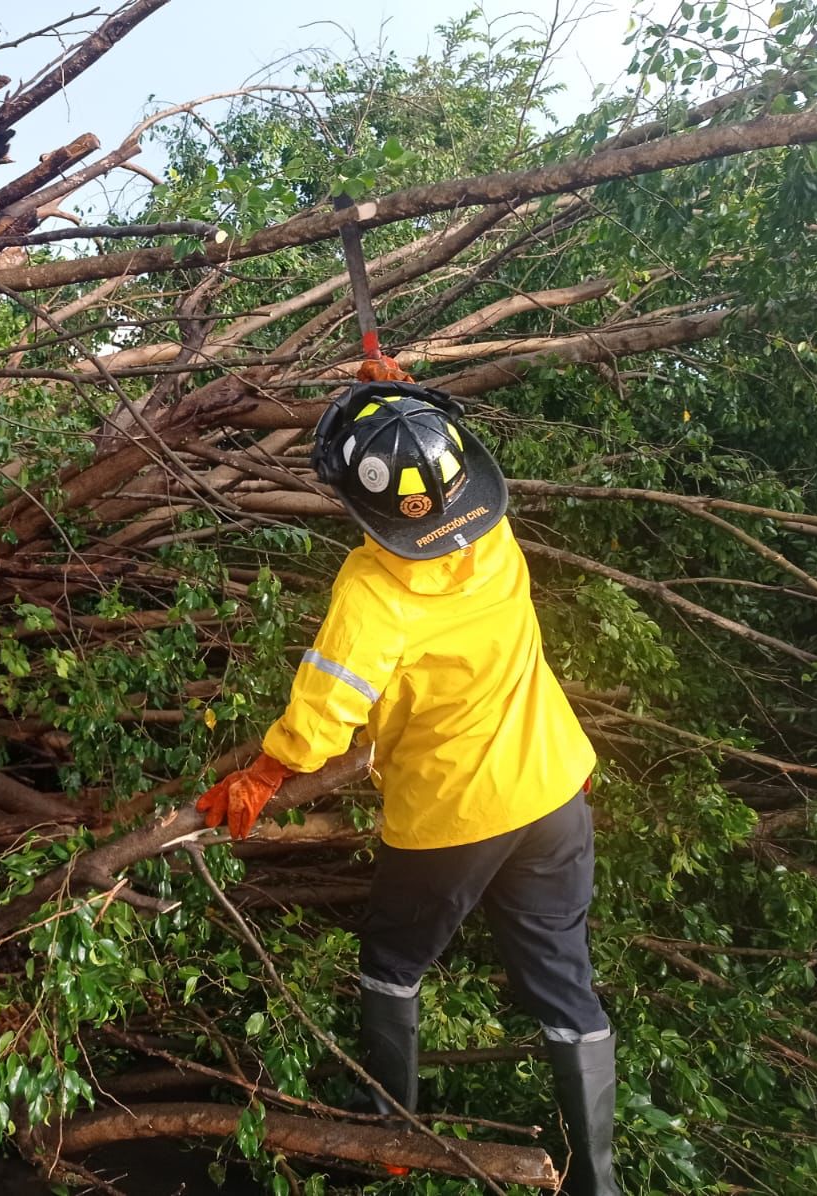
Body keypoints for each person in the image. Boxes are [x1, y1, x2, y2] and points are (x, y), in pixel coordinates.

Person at [195, 381, 620, 1196]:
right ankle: (596, 1183)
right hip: (555, 791)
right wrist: (403, 419)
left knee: (392, 960)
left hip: (455, 815)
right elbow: (432, 476)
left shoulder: (374, 591)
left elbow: (326, 712)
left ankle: (389, 1130)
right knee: (564, 982)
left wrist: (265, 772)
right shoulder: (497, 540)